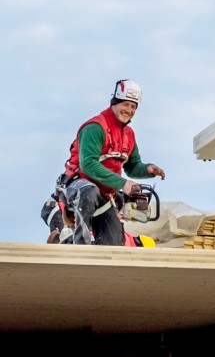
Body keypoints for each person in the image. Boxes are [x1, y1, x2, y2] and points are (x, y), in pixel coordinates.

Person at [43, 79, 166, 245]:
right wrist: (124, 184)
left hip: (105, 196)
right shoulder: (95, 127)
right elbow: (88, 165)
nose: (129, 110)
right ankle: (80, 246)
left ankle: (64, 242)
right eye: (126, 105)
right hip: (78, 187)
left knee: (112, 246)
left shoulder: (128, 135)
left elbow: (132, 167)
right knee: (88, 191)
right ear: (114, 103)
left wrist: (148, 169)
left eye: (133, 106)